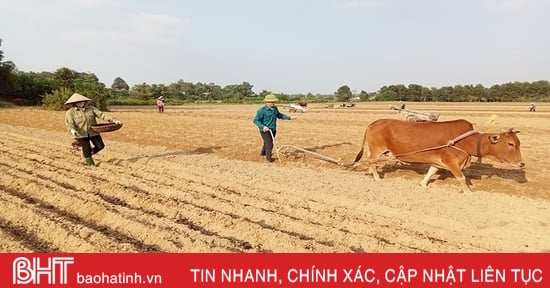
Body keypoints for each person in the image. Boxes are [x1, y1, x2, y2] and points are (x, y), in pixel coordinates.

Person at [64, 93, 122, 166]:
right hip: (81, 134)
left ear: (85, 101)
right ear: (74, 103)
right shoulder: (70, 112)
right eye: (78, 102)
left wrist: (113, 120)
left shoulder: (91, 108)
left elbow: (101, 115)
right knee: (86, 148)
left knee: (100, 146)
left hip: (93, 132)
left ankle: (89, 153)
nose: (80, 103)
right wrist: (72, 130)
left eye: (81, 101)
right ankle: (90, 165)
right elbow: (70, 123)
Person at [253, 94, 293, 163]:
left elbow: (280, 115)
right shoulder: (261, 111)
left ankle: (263, 153)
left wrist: (289, 118)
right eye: (270, 102)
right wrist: (263, 127)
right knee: (270, 144)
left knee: (267, 142)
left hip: (273, 129)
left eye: (273, 102)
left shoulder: (275, 109)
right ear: (266, 102)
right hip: (265, 130)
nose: (272, 103)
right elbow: (256, 120)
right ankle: (268, 159)